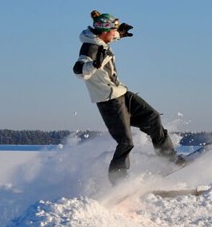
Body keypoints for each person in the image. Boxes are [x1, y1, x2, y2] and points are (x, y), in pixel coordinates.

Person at [73, 10, 181, 183]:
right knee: (125, 142)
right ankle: (119, 181)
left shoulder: (101, 37)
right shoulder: (90, 48)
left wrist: (120, 33)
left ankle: (171, 161)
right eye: (112, 32)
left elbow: (111, 34)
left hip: (121, 93)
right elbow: (79, 72)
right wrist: (94, 64)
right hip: (109, 101)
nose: (115, 34)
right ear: (104, 32)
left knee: (152, 118)